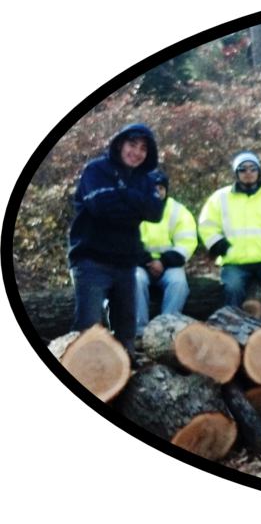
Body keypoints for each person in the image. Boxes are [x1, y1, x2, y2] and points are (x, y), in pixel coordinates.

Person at [68, 123, 165, 359]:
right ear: (120, 144)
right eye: (132, 144)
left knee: (126, 330)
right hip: (92, 260)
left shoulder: (145, 178)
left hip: (126, 263)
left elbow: (156, 212)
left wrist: (123, 192)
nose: (137, 152)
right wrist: (137, 205)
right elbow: (103, 209)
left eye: (143, 148)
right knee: (88, 328)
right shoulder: (96, 170)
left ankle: (126, 382)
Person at [198, 151, 261, 324]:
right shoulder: (220, 198)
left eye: (252, 168)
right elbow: (207, 224)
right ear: (236, 173)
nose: (248, 172)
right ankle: (232, 329)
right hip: (234, 260)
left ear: (258, 171)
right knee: (232, 288)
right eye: (243, 169)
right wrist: (219, 245)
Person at [135, 169, 197, 336]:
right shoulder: (133, 207)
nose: (157, 192)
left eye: (161, 188)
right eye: (153, 188)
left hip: (169, 265)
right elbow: (127, 240)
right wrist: (148, 262)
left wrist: (163, 262)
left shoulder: (178, 211)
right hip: (140, 265)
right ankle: (140, 332)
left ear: (166, 190)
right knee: (135, 280)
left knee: (179, 283)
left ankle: (166, 330)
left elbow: (187, 242)